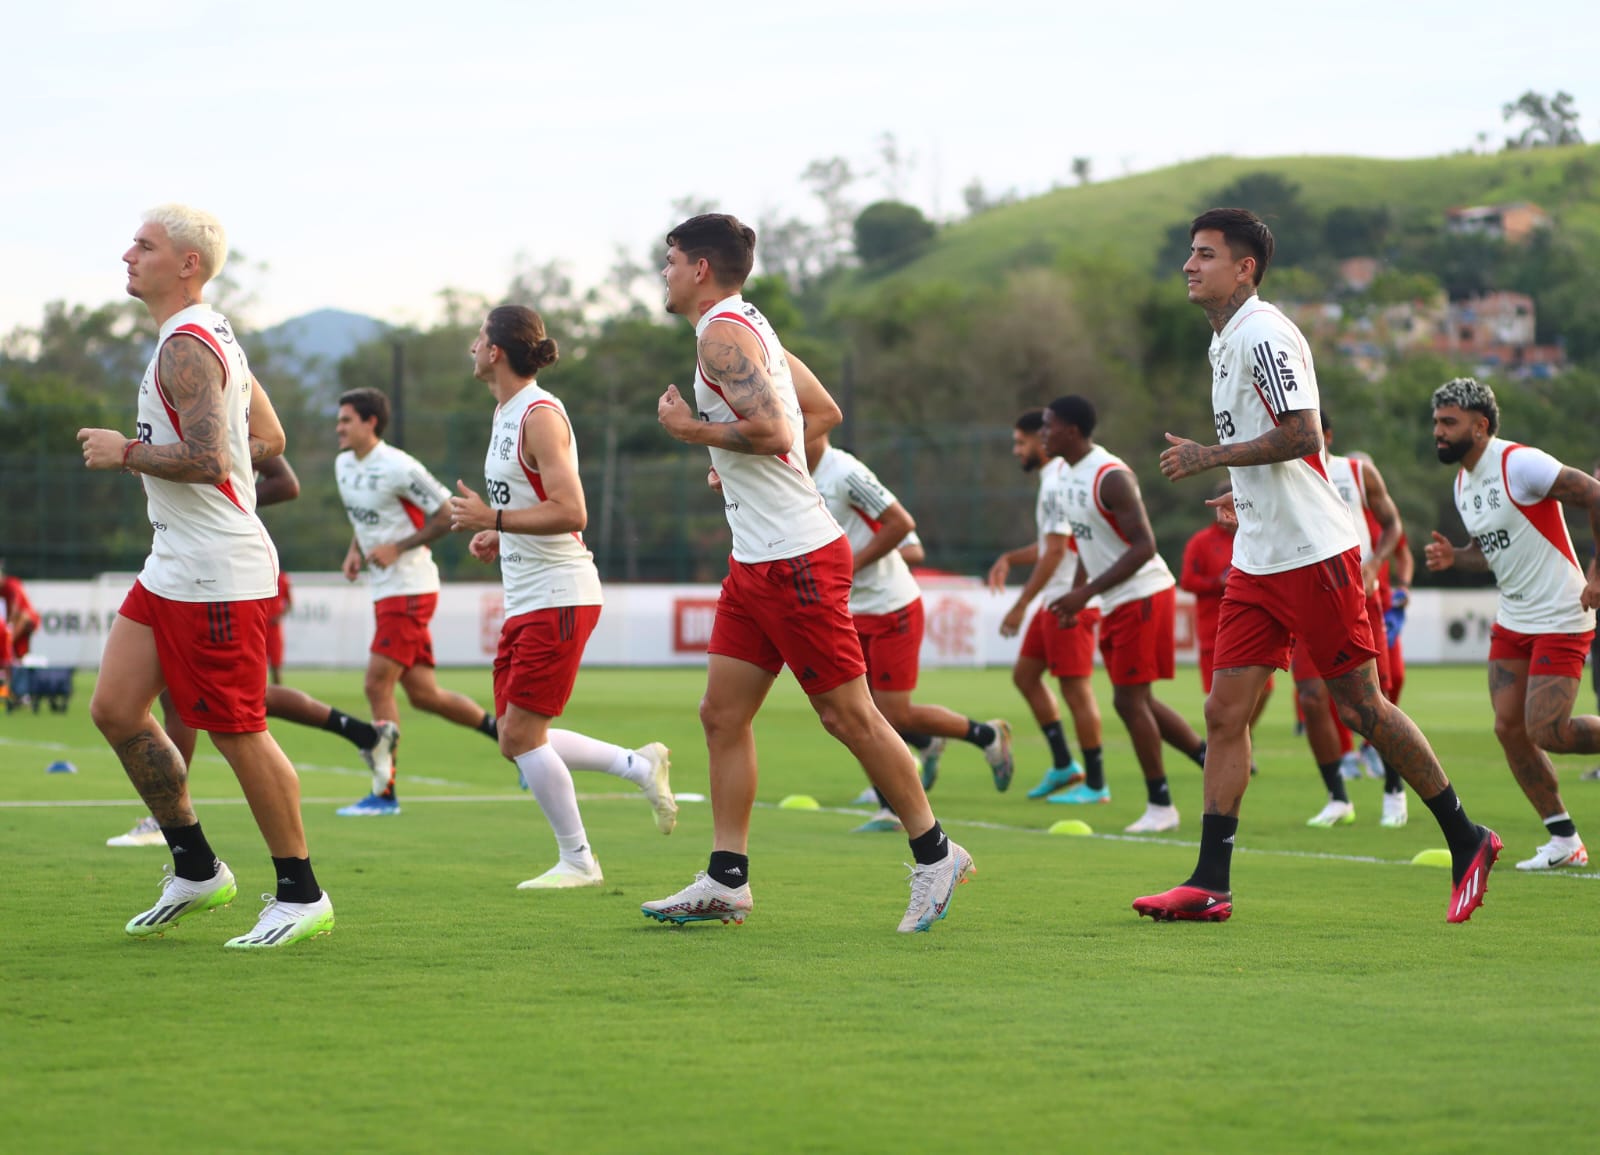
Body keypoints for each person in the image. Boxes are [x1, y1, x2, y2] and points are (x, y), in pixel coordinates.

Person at [1139, 206, 1499, 924]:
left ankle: (1468, 836)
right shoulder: (1225, 342)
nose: (1190, 264)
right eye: (1191, 253)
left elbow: (1302, 433)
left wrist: (1212, 455)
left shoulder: (1265, 332)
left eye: (1206, 254)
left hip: (1313, 554)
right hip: (1260, 558)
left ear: (1245, 268)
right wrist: (1239, 488)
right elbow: (1276, 447)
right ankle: (1212, 882)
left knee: (1361, 706)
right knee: (1223, 710)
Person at [645, 213, 972, 933]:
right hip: (757, 559)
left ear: (701, 268)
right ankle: (727, 878)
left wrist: (694, 433)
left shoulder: (720, 335)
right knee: (721, 715)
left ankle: (935, 851)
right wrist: (725, 460)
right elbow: (823, 410)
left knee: (848, 715)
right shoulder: (750, 326)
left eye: (670, 260)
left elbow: (777, 430)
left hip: (794, 556)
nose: (663, 273)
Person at [77, 203, 332, 948]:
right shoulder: (206, 334)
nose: (128, 254)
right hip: (173, 562)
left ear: (187, 264)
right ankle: (195, 866)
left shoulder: (187, 345)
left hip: (218, 572)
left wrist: (124, 450)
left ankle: (301, 891)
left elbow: (210, 459)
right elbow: (272, 437)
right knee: (116, 707)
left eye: (145, 245)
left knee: (237, 730)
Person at [448, 305, 676, 887]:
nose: (472, 347)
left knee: (523, 735)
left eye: (478, 338)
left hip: (560, 594)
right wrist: (496, 533)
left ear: (496, 350)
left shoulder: (539, 414)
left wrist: (494, 516)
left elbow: (573, 511)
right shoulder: (504, 412)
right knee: (516, 736)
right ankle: (638, 765)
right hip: (530, 595)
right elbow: (538, 504)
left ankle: (579, 861)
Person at [106, 455, 397, 847]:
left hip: (220, 568)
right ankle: (172, 824)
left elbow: (283, 475)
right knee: (177, 701)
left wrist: (216, 501)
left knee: (240, 716)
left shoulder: (222, 401)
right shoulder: (167, 402)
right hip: (179, 562)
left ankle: (295, 879)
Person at [1425, 377, 1600, 871]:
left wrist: (1597, 570)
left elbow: (1595, 494)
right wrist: (1456, 557)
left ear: (1480, 427)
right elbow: (1489, 553)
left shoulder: (1518, 463)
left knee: (1549, 730)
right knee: (1509, 727)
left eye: (1448, 423)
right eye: (1436, 422)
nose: (1438, 432)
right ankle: (1564, 838)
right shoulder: (1463, 482)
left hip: (1561, 612)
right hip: (1514, 616)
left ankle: (1564, 838)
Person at [808, 429, 1013, 832]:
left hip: (891, 606)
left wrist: (847, 567)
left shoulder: (845, 471)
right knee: (854, 710)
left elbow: (902, 526)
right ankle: (891, 800)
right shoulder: (795, 471)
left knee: (893, 713)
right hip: (850, 609)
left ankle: (985, 735)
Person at [1041, 396, 1207, 834]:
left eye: (1048, 426)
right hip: (1116, 598)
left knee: (1128, 701)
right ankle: (1208, 759)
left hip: (1143, 593)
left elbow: (1145, 546)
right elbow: (1084, 542)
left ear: (1072, 431)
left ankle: (1161, 805)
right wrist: (1078, 595)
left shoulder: (1110, 475)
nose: (1043, 434)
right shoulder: (1065, 474)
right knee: (1141, 700)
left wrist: (1086, 594)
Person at [334, 387, 500, 816]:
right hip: (385, 588)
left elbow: (449, 512)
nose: (339, 427)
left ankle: (384, 792)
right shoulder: (343, 465)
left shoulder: (398, 466)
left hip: (409, 587)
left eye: (346, 419)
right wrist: (357, 549)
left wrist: (399, 547)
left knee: (375, 684)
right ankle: (507, 737)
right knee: (424, 695)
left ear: (371, 423)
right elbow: (364, 517)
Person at [1291, 414, 1409, 830]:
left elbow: (1393, 524)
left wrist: (1377, 562)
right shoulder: (1281, 477)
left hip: (1358, 597)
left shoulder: (1357, 471)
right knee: (1309, 697)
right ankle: (1337, 797)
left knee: (1372, 699)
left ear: (1326, 435)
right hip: (1304, 597)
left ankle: (1394, 789)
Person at [988, 409, 1106, 801]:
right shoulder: (1051, 479)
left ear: (1042, 441)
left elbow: (1056, 553)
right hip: (1053, 600)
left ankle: (1096, 783)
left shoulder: (1057, 481)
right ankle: (1063, 765)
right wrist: (1010, 557)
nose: (1015, 450)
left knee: (1077, 691)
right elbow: (1047, 546)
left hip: (1067, 602)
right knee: (1025, 675)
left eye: (1020, 442)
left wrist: (1021, 604)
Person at [1178, 480, 1273, 730]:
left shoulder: (1258, 534)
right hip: (1214, 627)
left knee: (1265, 689)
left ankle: (1242, 733)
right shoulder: (1201, 542)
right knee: (1220, 697)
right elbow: (1187, 580)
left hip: (1255, 623)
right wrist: (1216, 582)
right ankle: (1232, 739)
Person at [0, 559, 41, 699]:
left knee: (13, 657)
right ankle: (15, 692)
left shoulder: (12, 585)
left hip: (25, 622)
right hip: (16, 625)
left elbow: (16, 610)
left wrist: (8, 632)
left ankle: (20, 692)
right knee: (14, 659)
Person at [265, 569, 291, 685]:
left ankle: (278, 698)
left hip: (274, 629)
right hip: (260, 627)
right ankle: (260, 699)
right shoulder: (258, 576)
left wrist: (279, 617)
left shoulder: (283, 579)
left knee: (276, 666)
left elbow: (290, 603)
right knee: (258, 665)